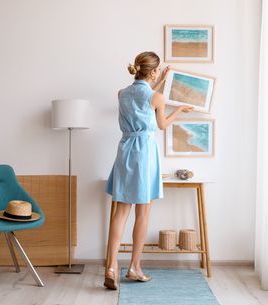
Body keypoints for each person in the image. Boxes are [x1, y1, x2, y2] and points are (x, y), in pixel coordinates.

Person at [104, 51, 193, 290]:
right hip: (144, 154)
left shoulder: (121, 94)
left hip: (124, 151)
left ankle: (111, 266)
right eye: (157, 71)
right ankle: (134, 267)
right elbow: (161, 124)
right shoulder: (158, 98)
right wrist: (179, 110)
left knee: (120, 212)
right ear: (152, 72)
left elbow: (140, 96)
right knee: (142, 213)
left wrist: (161, 79)